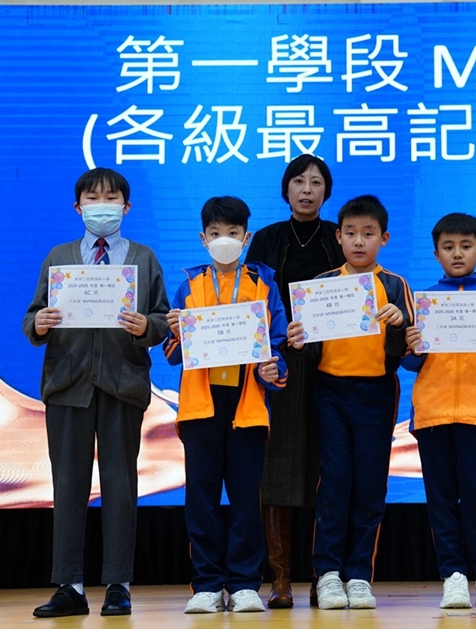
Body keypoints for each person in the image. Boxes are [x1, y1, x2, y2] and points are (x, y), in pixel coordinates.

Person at [22, 167, 169, 618]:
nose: (101, 206)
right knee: (68, 486)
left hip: (123, 384)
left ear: (126, 207)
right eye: (92, 198)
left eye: (110, 199)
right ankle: (69, 586)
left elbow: (162, 319)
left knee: (121, 486)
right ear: (78, 207)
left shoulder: (143, 258)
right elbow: (32, 317)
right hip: (68, 384)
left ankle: (118, 585)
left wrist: (147, 327)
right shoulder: (59, 257)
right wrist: (39, 324)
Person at [162, 196, 289, 614]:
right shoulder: (189, 286)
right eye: (215, 233)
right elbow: (172, 354)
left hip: (246, 403)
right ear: (203, 238)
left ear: (246, 237)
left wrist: (273, 367)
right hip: (201, 405)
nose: (224, 240)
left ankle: (245, 583)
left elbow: (277, 344)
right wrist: (176, 332)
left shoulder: (263, 284)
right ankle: (207, 584)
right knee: (201, 497)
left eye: (232, 233)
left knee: (245, 497)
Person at [287, 195, 412, 610]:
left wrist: (400, 324)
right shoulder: (322, 284)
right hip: (330, 392)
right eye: (351, 233)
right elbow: (310, 350)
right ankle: (327, 574)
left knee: (370, 484)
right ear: (338, 236)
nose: (359, 241)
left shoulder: (394, 285)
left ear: (384, 238)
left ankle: (358, 575)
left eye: (368, 234)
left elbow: (408, 351)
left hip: (377, 393)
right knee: (335, 482)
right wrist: (299, 342)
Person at [244, 154, 345, 608]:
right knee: (278, 467)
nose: (307, 189)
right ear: (286, 189)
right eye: (299, 181)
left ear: (327, 192)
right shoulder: (266, 239)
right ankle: (281, 577)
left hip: (333, 363)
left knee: (330, 469)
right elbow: (252, 302)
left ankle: (327, 574)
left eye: (316, 182)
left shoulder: (338, 237)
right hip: (280, 364)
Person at [401, 213, 476, 609]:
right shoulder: (423, 301)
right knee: (441, 500)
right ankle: (452, 575)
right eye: (448, 247)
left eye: (465, 246)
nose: (457, 253)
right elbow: (410, 362)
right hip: (432, 413)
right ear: (436, 254)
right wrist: (414, 344)